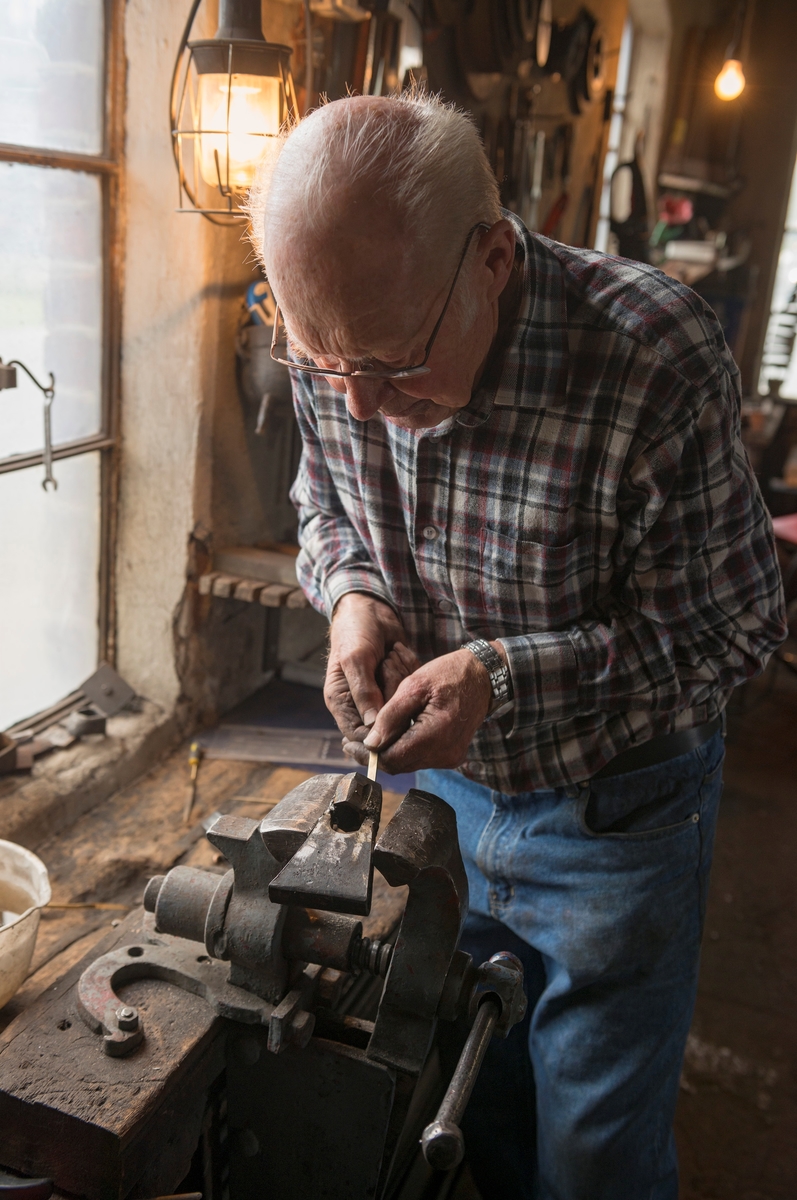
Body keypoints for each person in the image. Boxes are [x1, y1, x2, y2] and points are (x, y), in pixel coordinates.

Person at [248, 92, 785, 1199]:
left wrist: (503, 678)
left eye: (393, 366)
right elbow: (323, 503)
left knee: (590, 1158)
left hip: (612, 818)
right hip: (438, 803)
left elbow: (737, 632)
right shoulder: (343, 333)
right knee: (464, 1098)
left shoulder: (651, 354)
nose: (358, 403)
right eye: (319, 361)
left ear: (491, 259)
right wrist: (349, 595)